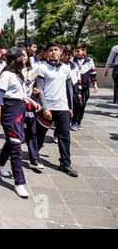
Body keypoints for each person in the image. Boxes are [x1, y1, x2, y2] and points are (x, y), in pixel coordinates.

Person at [0, 47, 41, 198]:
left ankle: (0, 163)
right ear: (17, 59)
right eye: (23, 57)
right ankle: (19, 182)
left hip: (20, 110)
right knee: (16, 147)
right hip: (10, 113)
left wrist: (31, 101)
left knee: (13, 141)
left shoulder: (18, 74)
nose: (26, 59)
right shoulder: (6, 75)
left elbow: (19, 94)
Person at [34, 41, 78, 177]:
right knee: (40, 134)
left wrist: (70, 107)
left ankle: (65, 163)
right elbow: (39, 88)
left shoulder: (66, 68)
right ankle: (34, 156)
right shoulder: (42, 67)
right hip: (46, 107)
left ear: (61, 52)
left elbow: (69, 89)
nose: (53, 52)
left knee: (65, 136)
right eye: (51, 50)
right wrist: (45, 107)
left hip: (62, 107)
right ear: (47, 53)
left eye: (56, 50)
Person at [70, 43, 98, 130]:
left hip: (85, 86)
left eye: (78, 51)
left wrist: (95, 84)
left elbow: (93, 73)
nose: (76, 53)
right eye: (75, 51)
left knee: (83, 105)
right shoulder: (71, 60)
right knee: (77, 103)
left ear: (84, 51)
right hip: (75, 86)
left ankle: (79, 122)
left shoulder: (89, 60)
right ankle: (73, 121)